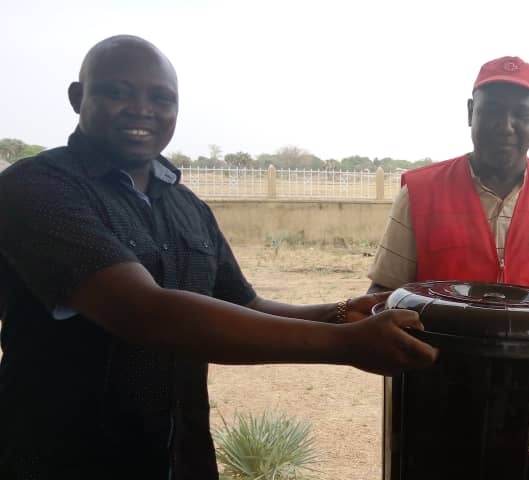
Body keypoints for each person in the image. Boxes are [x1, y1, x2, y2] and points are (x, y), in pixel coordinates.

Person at [0, 35, 437, 480]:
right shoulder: (37, 188)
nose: (141, 108)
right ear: (78, 98)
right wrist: (344, 345)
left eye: (161, 97)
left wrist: (338, 313)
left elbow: (244, 304)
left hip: (180, 455)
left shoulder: (187, 205)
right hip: (63, 456)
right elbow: (142, 312)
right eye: (117, 92)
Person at [367, 56, 529, 306]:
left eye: (521, 114)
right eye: (492, 110)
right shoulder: (419, 193)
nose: (505, 126)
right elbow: (383, 293)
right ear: (470, 112)